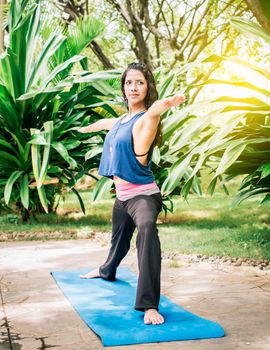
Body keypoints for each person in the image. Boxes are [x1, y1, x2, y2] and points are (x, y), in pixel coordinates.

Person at [78, 62, 185, 325]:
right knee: (118, 241)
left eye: (140, 82)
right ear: (124, 88)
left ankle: (149, 305)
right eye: (129, 82)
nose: (133, 87)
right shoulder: (122, 120)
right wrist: (90, 127)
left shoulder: (146, 119)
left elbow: (154, 112)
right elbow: (109, 123)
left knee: (147, 230)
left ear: (147, 87)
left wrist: (166, 104)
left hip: (143, 197)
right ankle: (106, 270)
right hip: (122, 197)